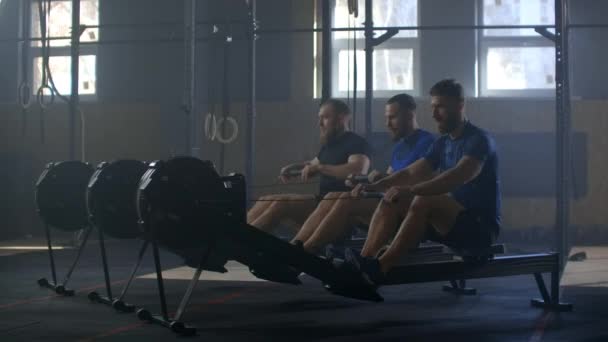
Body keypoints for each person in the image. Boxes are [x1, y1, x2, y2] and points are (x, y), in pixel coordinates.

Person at [345, 79, 501, 286]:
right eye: (433, 107)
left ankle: (381, 268)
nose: (435, 114)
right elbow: (411, 172)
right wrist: (375, 186)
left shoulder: (479, 139)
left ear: (460, 105)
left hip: (479, 228)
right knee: (391, 198)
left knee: (423, 200)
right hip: (449, 223)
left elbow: (456, 177)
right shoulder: (442, 142)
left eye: (441, 107)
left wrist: (411, 190)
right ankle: (364, 261)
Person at [291, 94, 434, 253]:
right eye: (386, 118)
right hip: (390, 200)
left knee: (345, 199)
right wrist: (364, 183)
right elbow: (387, 180)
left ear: (410, 115)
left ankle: (307, 250)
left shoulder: (428, 142)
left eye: (392, 118)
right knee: (335, 195)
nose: (387, 124)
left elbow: (420, 180)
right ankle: (296, 246)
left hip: (408, 205)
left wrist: (379, 181)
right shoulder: (399, 147)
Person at [247, 98, 371, 234]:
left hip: (337, 204)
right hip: (321, 200)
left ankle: (245, 242)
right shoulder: (330, 145)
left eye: (325, 118)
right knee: (266, 199)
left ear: (341, 118)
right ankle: (237, 233)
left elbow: (357, 170)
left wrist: (320, 168)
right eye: (320, 118)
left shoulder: (355, 142)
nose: (320, 123)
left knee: (280, 203)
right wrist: (294, 167)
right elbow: (313, 164)